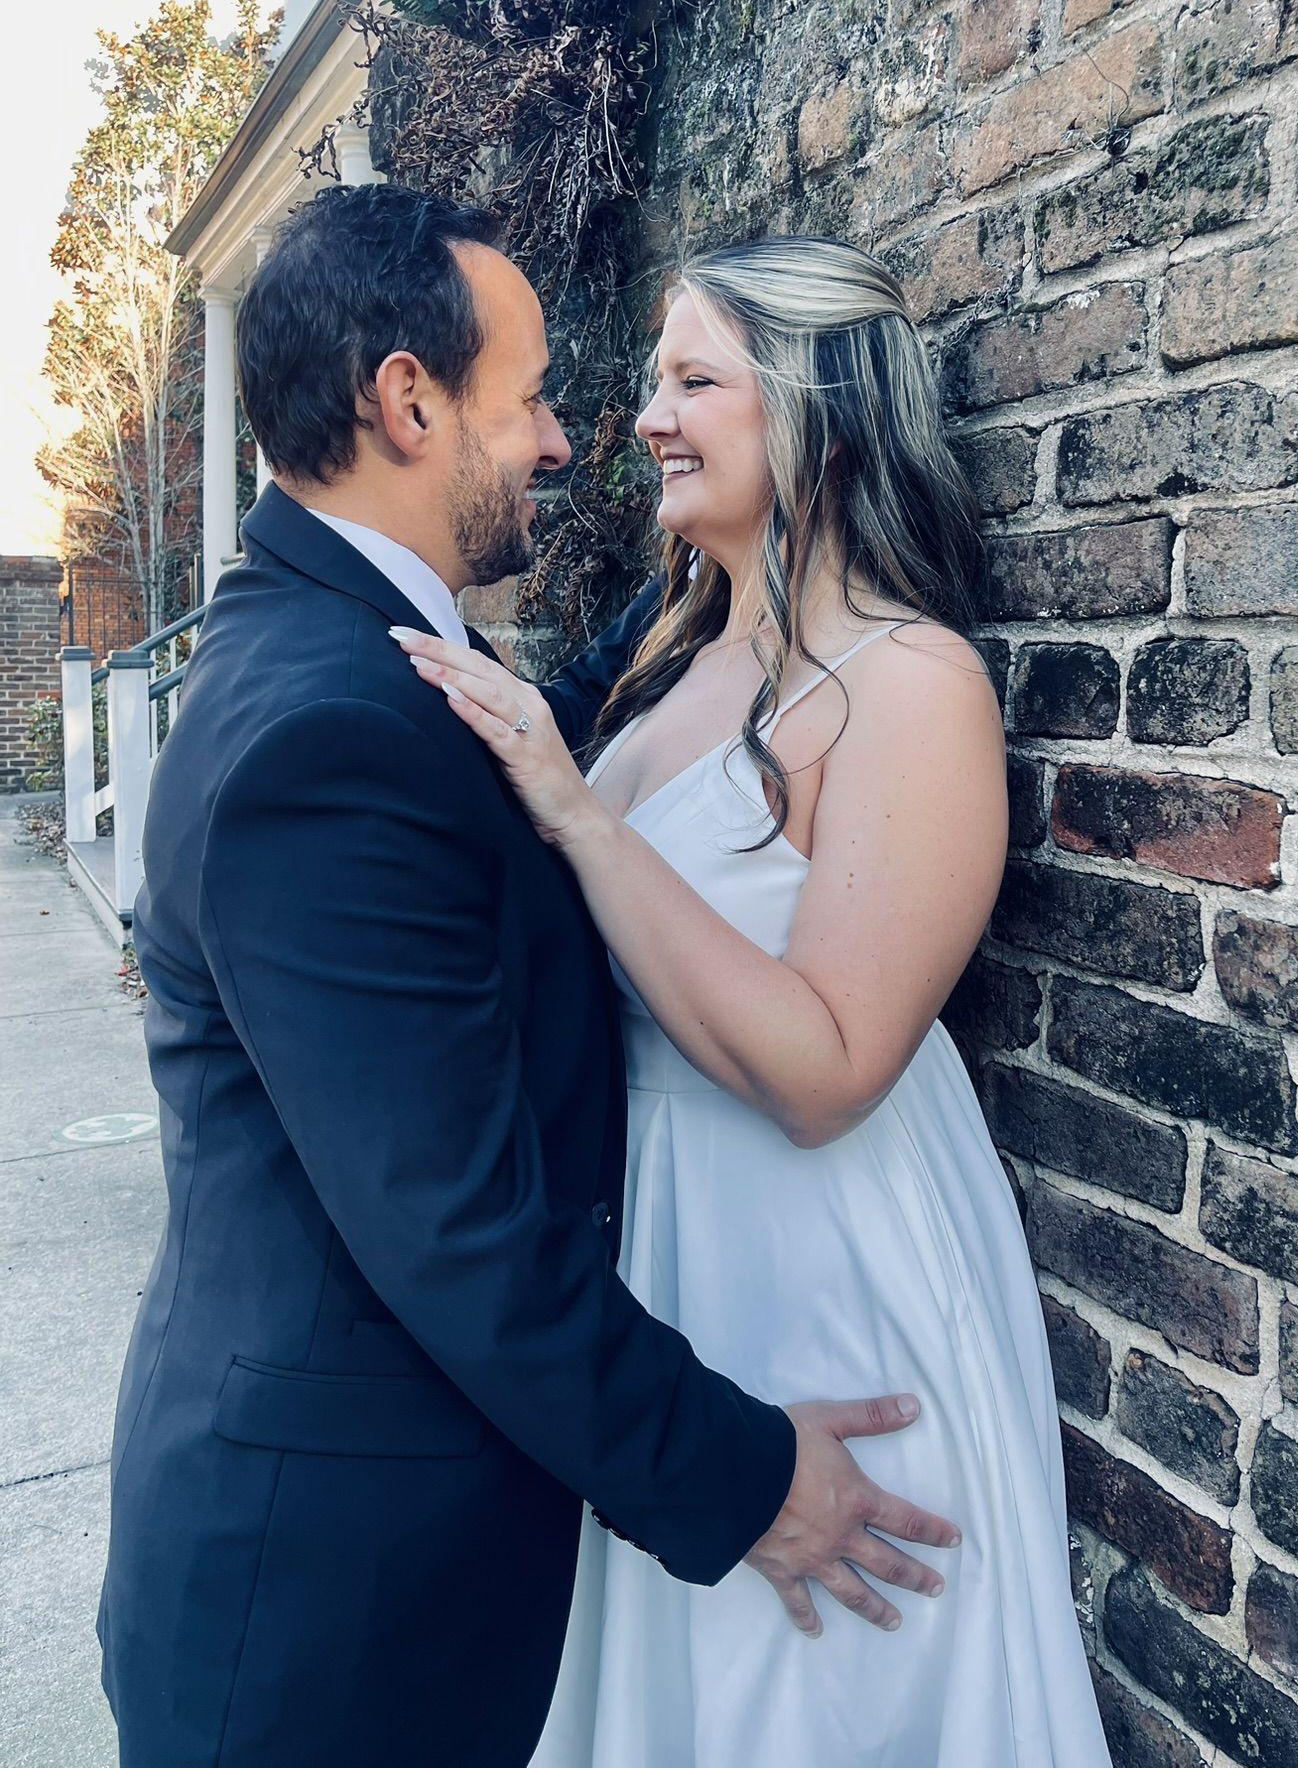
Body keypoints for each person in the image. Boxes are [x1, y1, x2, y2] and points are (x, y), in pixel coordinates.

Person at [96, 187, 960, 1768]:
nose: (575, 439)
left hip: (450, 1501)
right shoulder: (329, 727)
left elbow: (554, 763)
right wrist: (746, 1481)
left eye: (688, 384)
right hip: (332, 1611)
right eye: (536, 397)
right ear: (408, 402)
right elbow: (455, 1231)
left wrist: (756, 559)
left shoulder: (359, 654)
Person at [396, 236, 1112, 1766]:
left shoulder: (912, 682)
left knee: (814, 1708)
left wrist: (572, 811)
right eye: (658, 382)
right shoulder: (672, 663)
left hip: (819, 1266)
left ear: (819, 412)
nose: (648, 419)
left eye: (695, 382)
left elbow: (834, 1067)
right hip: (660, 1252)